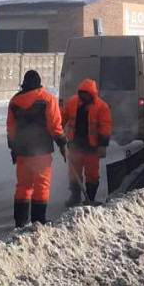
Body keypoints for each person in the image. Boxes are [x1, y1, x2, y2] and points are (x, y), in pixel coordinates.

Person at [6, 70, 67, 227]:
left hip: (22, 151)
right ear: (39, 83)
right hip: (42, 151)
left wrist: (13, 148)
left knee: (23, 186)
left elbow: (11, 127)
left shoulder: (14, 101)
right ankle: (39, 220)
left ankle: (20, 221)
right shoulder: (47, 99)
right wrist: (62, 142)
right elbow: (54, 125)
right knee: (41, 185)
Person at [61, 78, 112, 207]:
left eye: (86, 94)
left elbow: (105, 127)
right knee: (74, 174)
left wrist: (102, 145)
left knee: (92, 175)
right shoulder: (72, 102)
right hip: (75, 145)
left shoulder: (101, 107)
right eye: (82, 93)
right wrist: (56, 131)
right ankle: (75, 196)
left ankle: (90, 198)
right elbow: (62, 118)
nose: (84, 96)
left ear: (92, 94)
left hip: (92, 147)